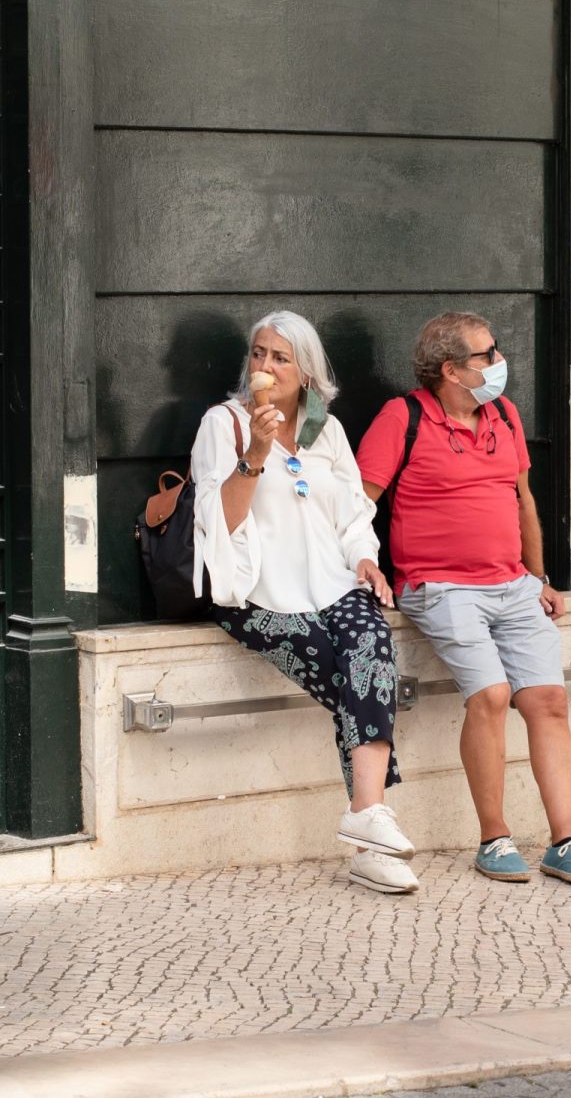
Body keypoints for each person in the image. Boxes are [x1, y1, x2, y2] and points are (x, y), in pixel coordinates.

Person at [357, 312, 571, 888]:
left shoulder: (504, 415)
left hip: (511, 584)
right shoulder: (404, 418)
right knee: (492, 695)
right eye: (487, 355)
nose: (499, 364)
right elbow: (357, 503)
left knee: (547, 699)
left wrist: (538, 575)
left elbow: (522, 499)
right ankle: (494, 838)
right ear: (450, 369)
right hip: (438, 585)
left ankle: (564, 842)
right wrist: (363, 567)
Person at [191, 311, 419, 894]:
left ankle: (366, 821)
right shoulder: (224, 424)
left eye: (280, 358)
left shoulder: (329, 431)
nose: (264, 366)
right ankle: (371, 831)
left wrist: (365, 558)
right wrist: (257, 453)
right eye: (259, 354)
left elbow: (352, 516)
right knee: (355, 680)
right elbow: (222, 521)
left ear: (307, 374)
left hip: (332, 582)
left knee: (370, 643)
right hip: (255, 593)